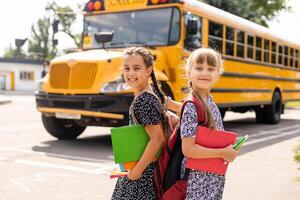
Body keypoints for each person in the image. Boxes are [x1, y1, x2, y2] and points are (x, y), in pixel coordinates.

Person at [167, 48, 238, 200]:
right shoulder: (192, 105)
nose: (204, 73)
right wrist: (223, 153)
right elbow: (188, 149)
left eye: (210, 69)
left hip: (210, 178)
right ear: (189, 72)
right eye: (199, 68)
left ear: (218, 74)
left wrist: (229, 148)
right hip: (196, 182)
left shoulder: (209, 101)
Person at [111, 47, 166, 200]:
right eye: (126, 68)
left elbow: (157, 139)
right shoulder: (150, 93)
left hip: (141, 177)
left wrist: (137, 171)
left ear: (149, 71)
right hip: (143, 171)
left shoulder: (144, 100)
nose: (131, 73)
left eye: (136, 68)